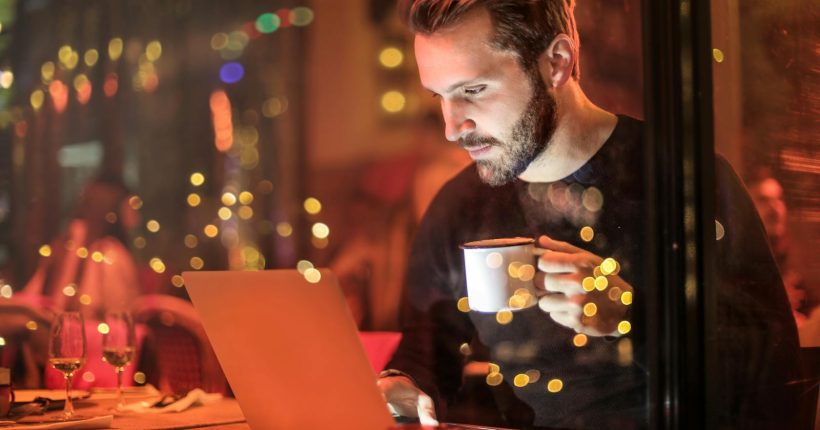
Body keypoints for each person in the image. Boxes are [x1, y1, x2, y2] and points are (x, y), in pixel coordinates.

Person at [377, 1, 801, 428]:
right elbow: (427, 352)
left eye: (473, 90)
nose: (452, 127)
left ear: (556, 63)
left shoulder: (684, 182)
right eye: (440, 96)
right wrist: (401, 385)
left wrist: (631, 319)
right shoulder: (460, 206)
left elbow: (771, 376)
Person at [19, 174, 141, 320]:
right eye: (89, 203)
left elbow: (118, 319)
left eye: (100, 205)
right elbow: (32, 296)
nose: (91, 212)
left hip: (93, 337)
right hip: (54, 330)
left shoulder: (113, 255)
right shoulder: (65, 245)